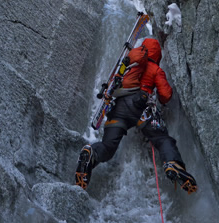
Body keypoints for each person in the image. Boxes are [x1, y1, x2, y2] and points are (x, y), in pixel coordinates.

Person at [75, 37, 197, 194]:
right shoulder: (155, 69)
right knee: (162, 139)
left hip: (117, 109)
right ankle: (173, 163)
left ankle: (92, 153)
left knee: (109, 146)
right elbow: (165, 94)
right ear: (157, 54)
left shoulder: (129, 66)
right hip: (140, 108)